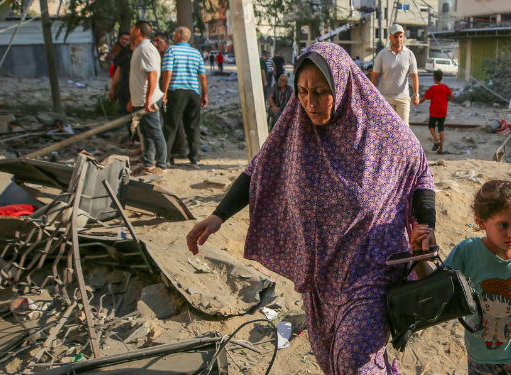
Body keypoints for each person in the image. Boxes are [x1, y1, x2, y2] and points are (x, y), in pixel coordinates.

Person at [185, 42, 436, 375]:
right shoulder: (294, 130)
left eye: (320, 92)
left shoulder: (384, 133)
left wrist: (426, 226)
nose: (310, 102)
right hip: (320, 277)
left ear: (343, 87)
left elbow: (420, 172)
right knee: (331, 362)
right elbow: (260, 170)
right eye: (302, 91)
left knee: (353, 364)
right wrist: (218, 215)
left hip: (371, 271)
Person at [414, 180, 511, 375]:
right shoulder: (467, 252)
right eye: (503, 225)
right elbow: (435, 287)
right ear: (481, 222)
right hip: (480, 358)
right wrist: (418, 256)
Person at [161, 26, 208, 167]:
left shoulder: (172, 51)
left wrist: (164, 92)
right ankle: (194, 158)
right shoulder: (196, 53)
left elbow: (168, 72)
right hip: (193, 93)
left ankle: (167, 157)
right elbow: (203, 76)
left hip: (177, 92)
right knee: (193, 126)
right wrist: (204, 94)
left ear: (177, 35)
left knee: (171, 125)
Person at [127, 20, 167, 175]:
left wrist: (148, 99)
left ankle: (162, 165)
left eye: (131, 27)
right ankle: (148, 163)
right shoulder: (140, 48)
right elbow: (139, 77)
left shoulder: (146, 48)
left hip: (148, 100)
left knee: (155, 132)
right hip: (141, 99)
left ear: (137, 31)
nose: (130, 30)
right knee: (146, 134)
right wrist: (133, 100)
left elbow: (153, 74)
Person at [372, 24, 420, 125]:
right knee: (387, 128)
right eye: (395, 36)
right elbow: (375, 76)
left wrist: (416, 94)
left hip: (403, 98)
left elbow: (414, 76)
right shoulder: (382, 54)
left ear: (404, 37)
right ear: (390, 37)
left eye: (401, 36)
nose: (398, 39)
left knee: (404, 129)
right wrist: (372, 94)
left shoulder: (409, 55)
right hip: (385, 97)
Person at [108, 32, 136, 146]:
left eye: (127, 39)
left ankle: (137, 140)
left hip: (135, 91)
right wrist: (113, 88)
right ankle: (132, 138)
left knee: (136, 117)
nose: (124, 41)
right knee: (127, 116)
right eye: (122, 39)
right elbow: (118, 70)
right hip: (123, 89)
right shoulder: (123, 53)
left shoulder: (140, 51)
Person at [418, 69, 453, 154]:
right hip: (443, 111)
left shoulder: (433, 88)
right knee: (441, 128)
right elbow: (452, 95)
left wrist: (417, 101)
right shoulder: (445, 86)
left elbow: (424, 98)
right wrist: (447, 100)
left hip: (434, 111)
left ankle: (437, 140)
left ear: (434, 78)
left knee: (431, 126)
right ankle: (441, 150)